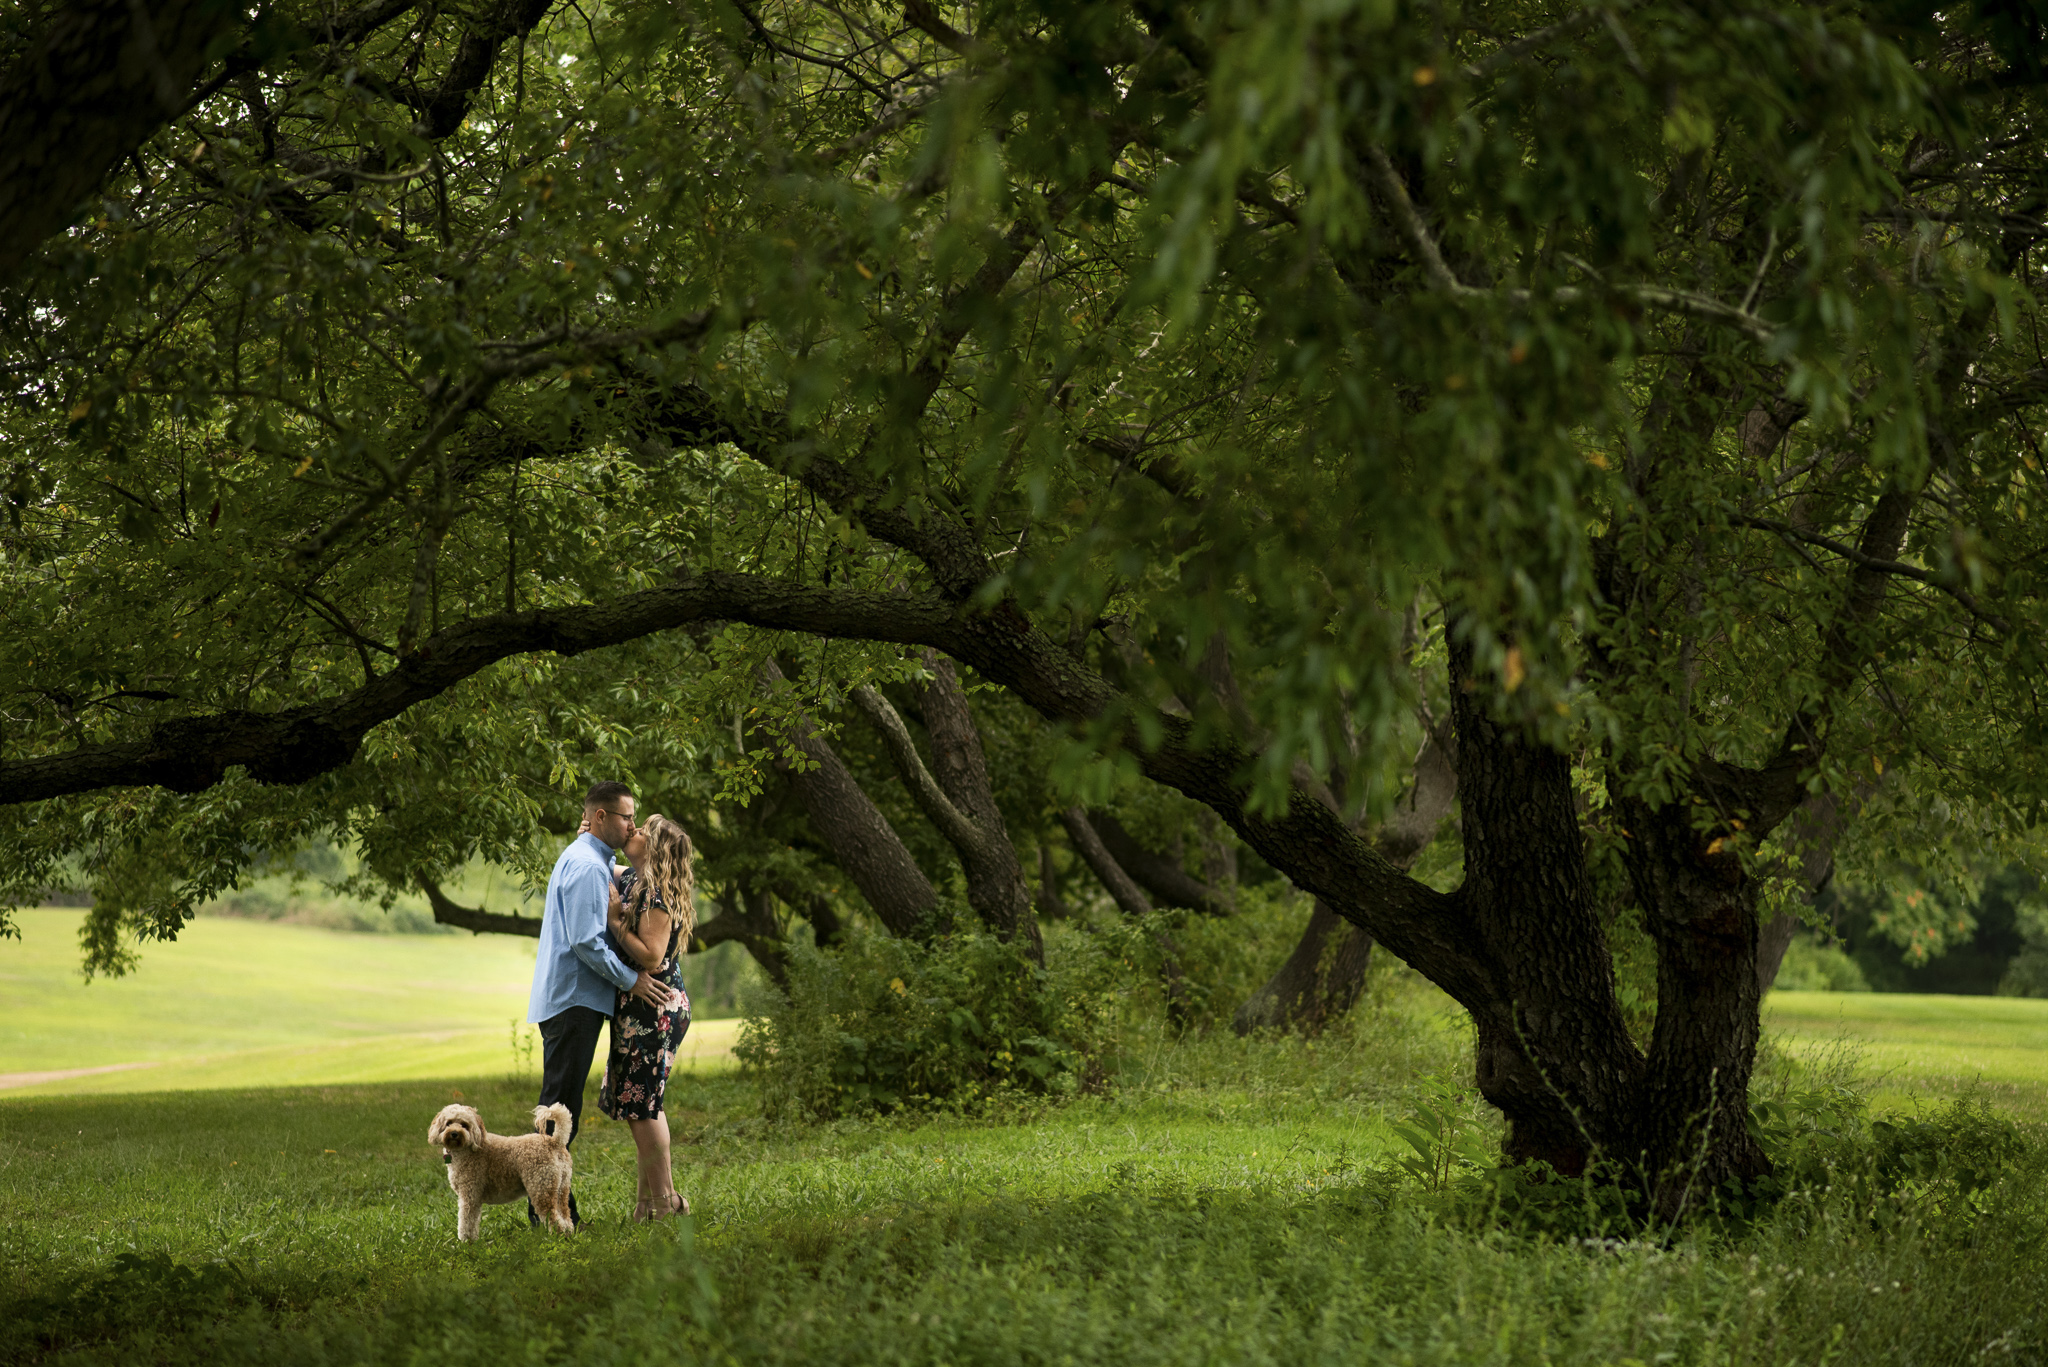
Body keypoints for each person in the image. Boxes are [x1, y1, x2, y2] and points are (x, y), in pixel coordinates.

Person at [526, 780, 681, 1227]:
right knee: (558, 1110)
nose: (633, 824)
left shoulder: (593, 860)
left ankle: (556, 1212)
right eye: (626, 817)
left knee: (562, 1109)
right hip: (574, 1001)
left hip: (575, 1000)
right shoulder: (588, 867)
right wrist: (632, 980)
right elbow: (586, 944)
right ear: (600, 818)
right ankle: (549, 1217)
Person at [596, 813, 697, 1221]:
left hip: (653, 1010)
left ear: (655, 851)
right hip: (644, 1010)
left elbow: (653, 956)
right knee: (644, 1104)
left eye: (642, 831)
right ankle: (646, 1207)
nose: (632, 831)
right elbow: (602, 864)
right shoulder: (635, 881)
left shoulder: (655, 894)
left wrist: (617, 924)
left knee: (642, 1107)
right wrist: (590, 833)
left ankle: (667, 1203)